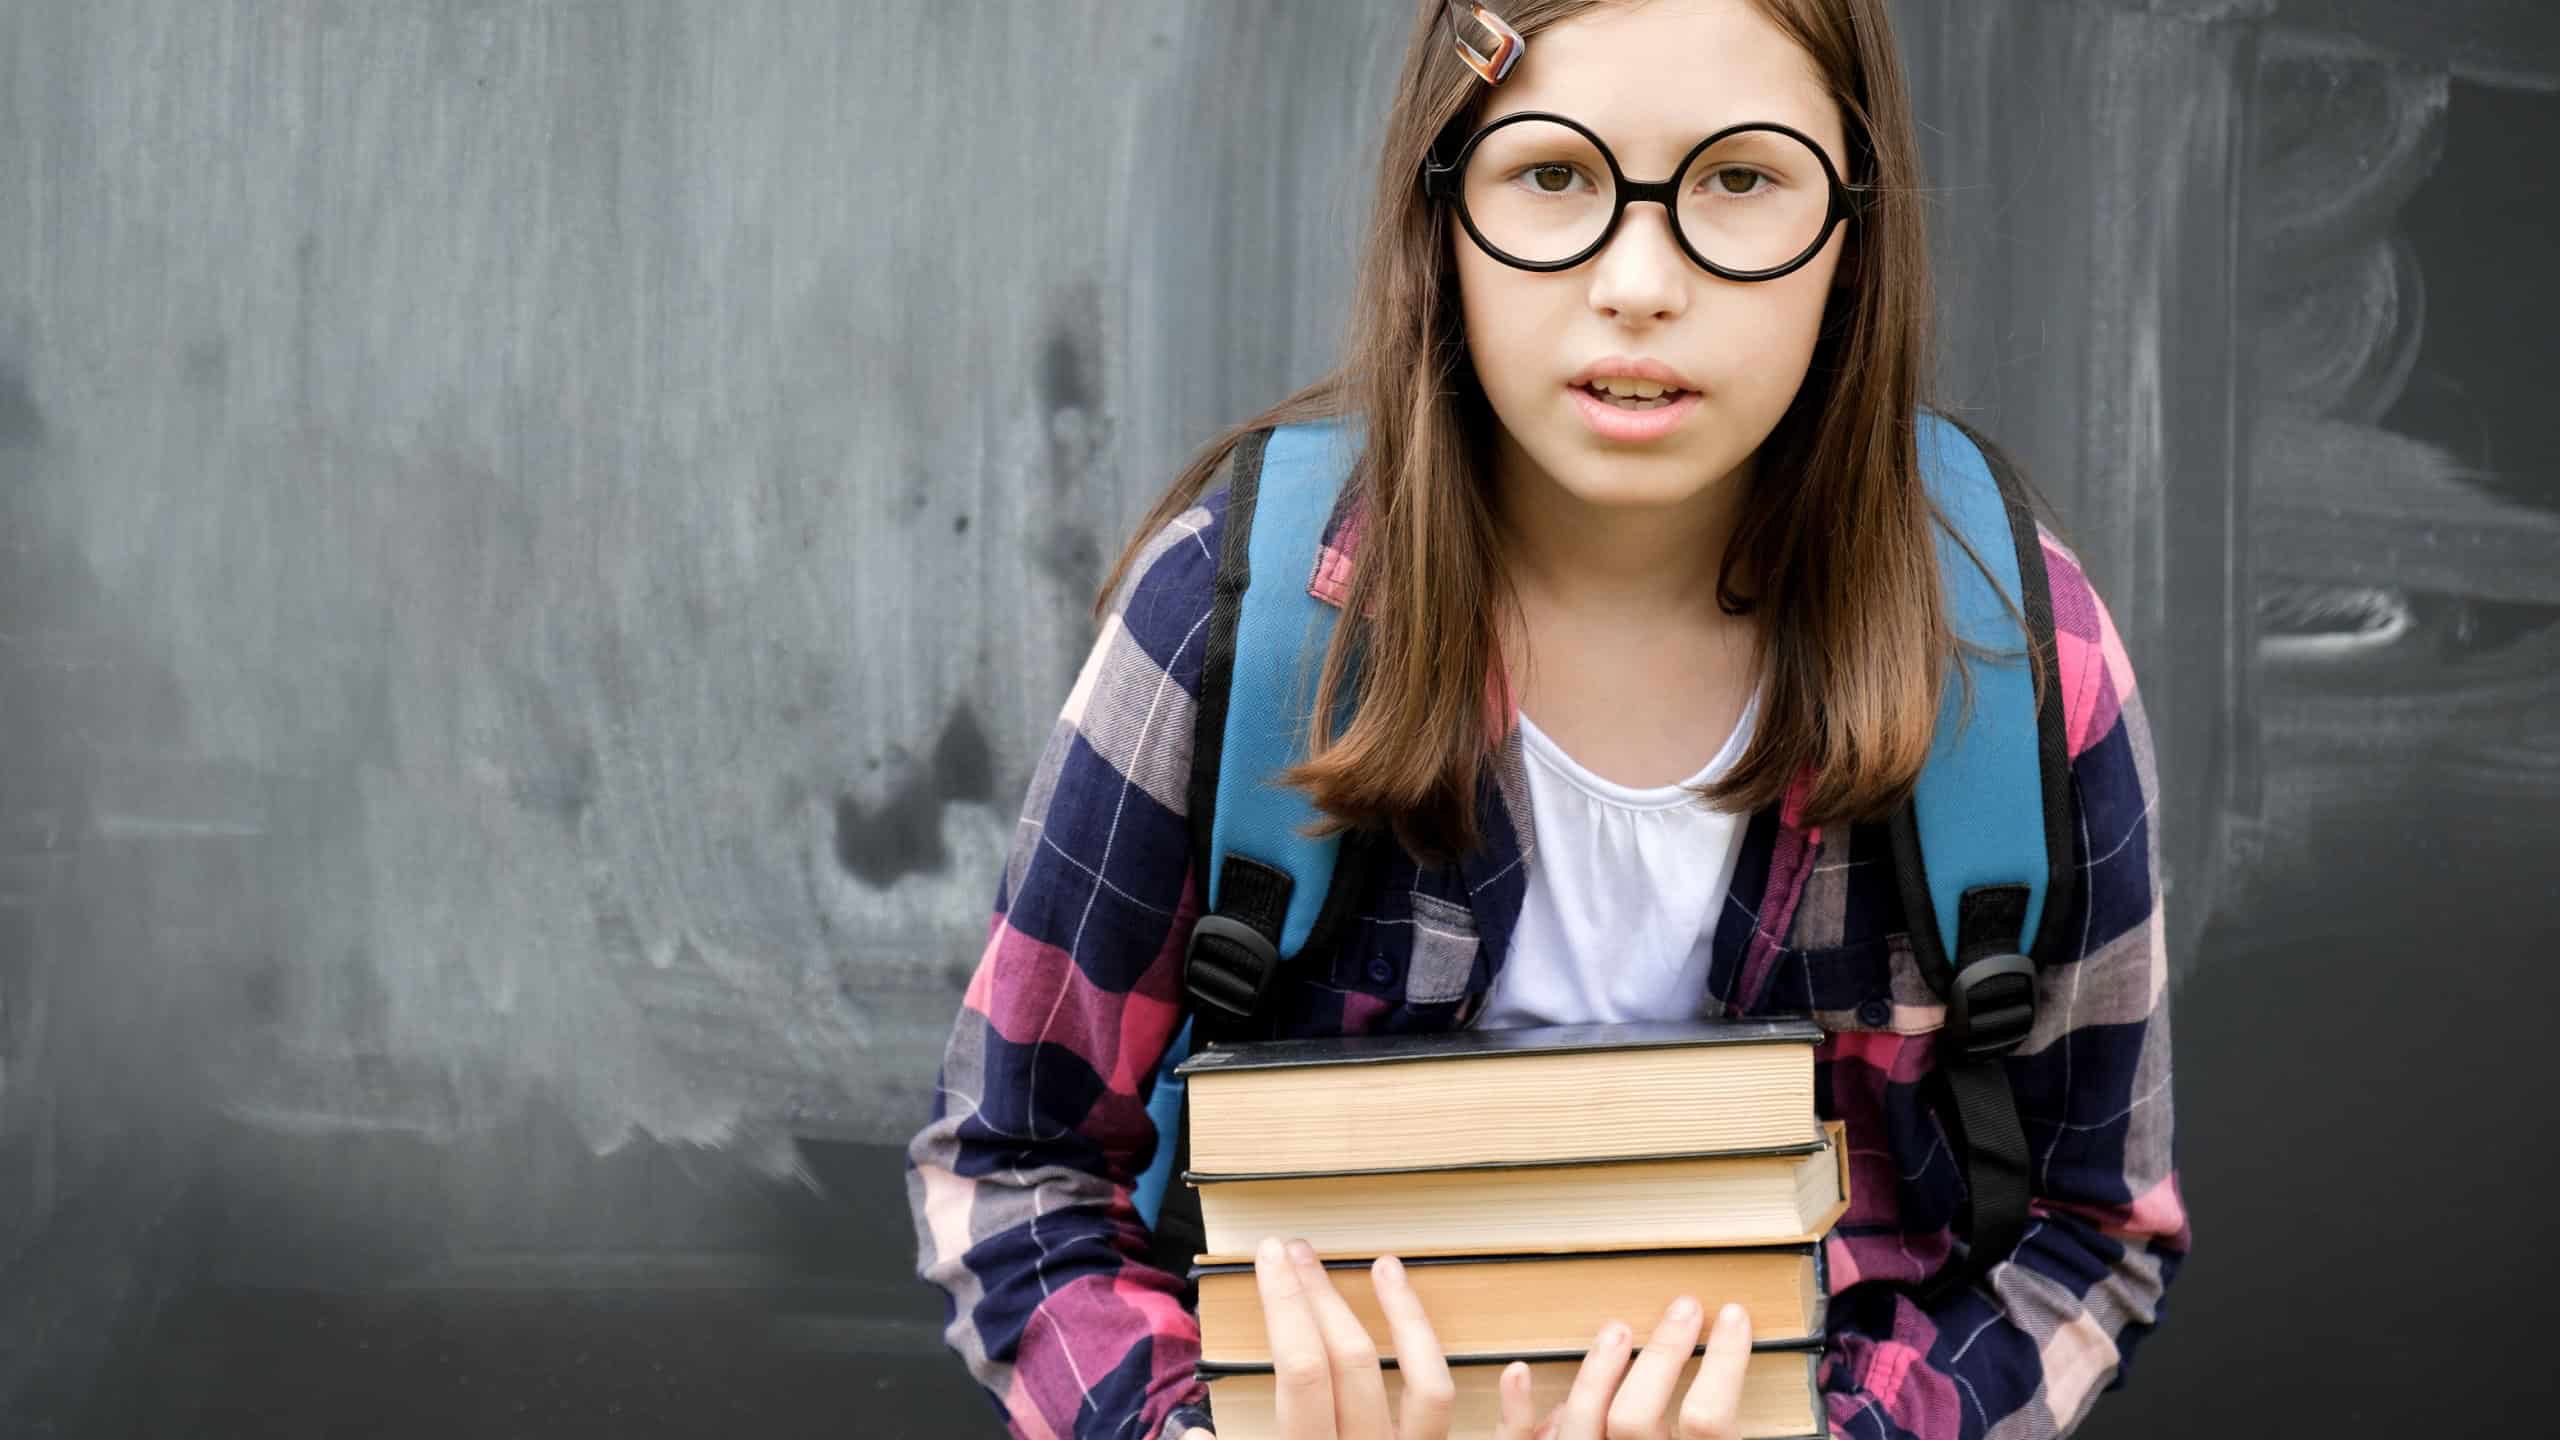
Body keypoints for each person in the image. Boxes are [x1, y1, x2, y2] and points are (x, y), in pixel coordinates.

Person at [905, 1, 2190, 1437]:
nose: (1639, 283)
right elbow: (1014, 1176)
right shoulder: (1230, 626)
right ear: (1438, 211)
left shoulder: (2015, 653)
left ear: (1857, 230)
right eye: (1555, 177)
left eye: (1744, 180)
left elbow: (2091, 1234)